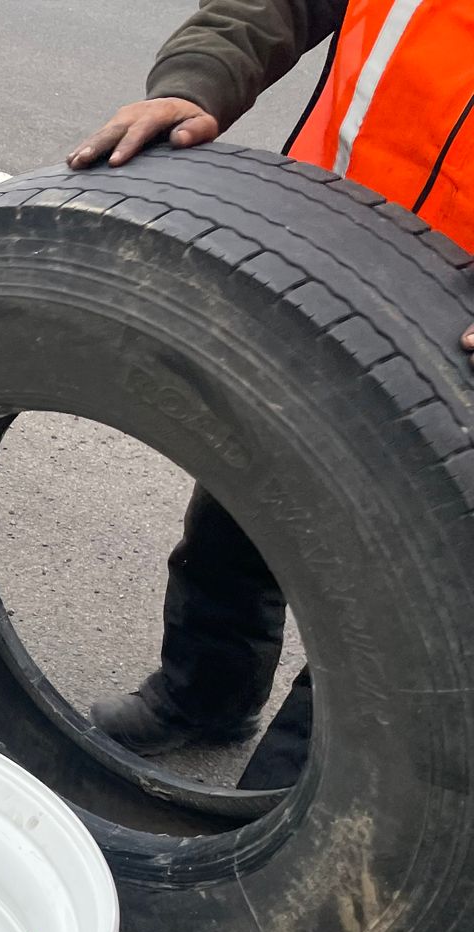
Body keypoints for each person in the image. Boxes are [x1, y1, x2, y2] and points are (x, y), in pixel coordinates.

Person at [67, 0, 474, 785]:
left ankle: (306, 805)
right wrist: (196, 82)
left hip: (460, 333)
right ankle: (203, 696)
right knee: (242, 508)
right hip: (325, 261)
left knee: (403, 589)